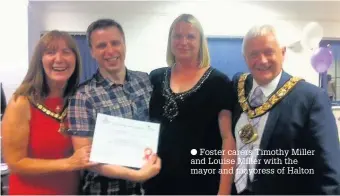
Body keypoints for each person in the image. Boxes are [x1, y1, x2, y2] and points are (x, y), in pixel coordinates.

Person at [231, 24, 340, 195]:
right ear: (245, 58)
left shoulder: (311, 98)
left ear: (282, 53)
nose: (262, 60)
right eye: (254, 54)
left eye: (268, 52)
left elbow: (329, 173)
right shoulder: (238, 88)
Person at [66, 18, 161, 195]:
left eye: (115, 43)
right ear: (92, 52)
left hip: (149, 189)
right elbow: (85, 157)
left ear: (124, 45)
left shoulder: (145, 81)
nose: (110, 51)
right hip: (105, 191)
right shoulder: (82, 96)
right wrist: (136, 175)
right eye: (101, 45)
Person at [144, 14, 236, 195]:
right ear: (170, 40)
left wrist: (224, 191)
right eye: (177, 36)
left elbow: (228, 140)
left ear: (200, 41)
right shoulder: (154, 78)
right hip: (157, 182)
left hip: (202, 184)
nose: (183, 41)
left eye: (190, 36)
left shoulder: (218, 82)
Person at [1, 30, 96, 195]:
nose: (59, 59)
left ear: (75, 59)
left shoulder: (79, 100)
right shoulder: (21, 102)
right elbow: (15, 162)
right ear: (40, 60)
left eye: (66, 52)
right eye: (50, 52)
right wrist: (69, 163)